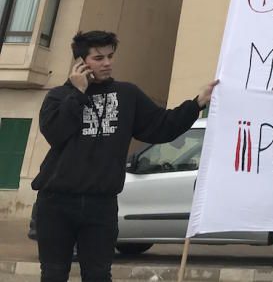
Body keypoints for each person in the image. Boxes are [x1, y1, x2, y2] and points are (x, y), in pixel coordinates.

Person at [32, 30, 218, 282]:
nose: (107, 63)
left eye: (110, 56)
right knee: (53, 274)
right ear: (80, 62)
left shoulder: (127, 95)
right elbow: (55, 133)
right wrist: (78, 93)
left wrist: (197, 103)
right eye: (98, 58)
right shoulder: (59, 97)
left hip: (101, 205)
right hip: (56, 203)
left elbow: (162, 126)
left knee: (98, 275)